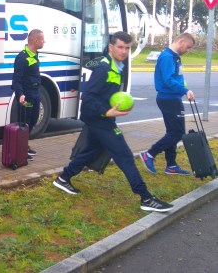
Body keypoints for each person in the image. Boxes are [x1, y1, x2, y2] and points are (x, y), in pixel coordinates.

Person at [53, 31, 173, 213]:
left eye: (127, 48)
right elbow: (88, 97)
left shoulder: (116, 66)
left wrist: (122, 103)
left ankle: (63, 178)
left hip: (101, 119)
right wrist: (106, 111)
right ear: (111, 47)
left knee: (91, 151)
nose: (124, 51)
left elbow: (107, 94)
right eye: (120, 47)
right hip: (99, 120)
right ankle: (146, 198)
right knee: (124, 155)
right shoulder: (104, 69)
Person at [140, 33, 196, 175]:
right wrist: (184, 90)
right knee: (177, 133)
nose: (187, 50)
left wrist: (184, 89)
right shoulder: (167, 57)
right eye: (188, 47)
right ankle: (150, 154)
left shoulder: (174, 57)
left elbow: (177, 78)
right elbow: (167, 80)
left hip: (173, 98)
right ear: (181, 41)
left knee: (173, 132)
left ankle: (171, 165)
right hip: (168, 99)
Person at [12, 29, 45, 160]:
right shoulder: (22, 57)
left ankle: (24, 145)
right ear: (35, 40)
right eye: (42, 39)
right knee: (25, 123)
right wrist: (20, 94)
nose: (44, 42)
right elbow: (16, 79)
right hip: (27, 96)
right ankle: (20, 150)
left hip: (36, 94)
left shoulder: (35, 55)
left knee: (33, 119)